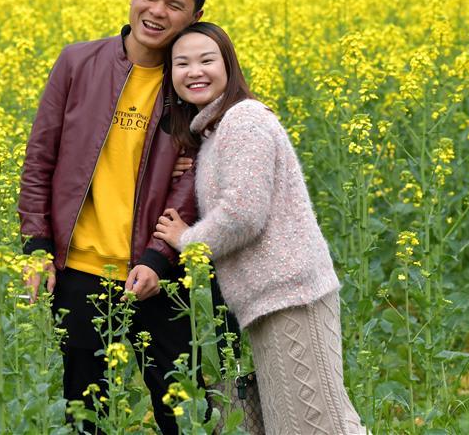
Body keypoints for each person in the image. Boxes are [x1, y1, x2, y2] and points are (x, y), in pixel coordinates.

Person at [19, 0, 208, 433]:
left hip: (157, 274)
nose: (157, 12)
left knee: (186, 415)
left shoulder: (192, 78)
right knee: (86, 417)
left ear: (196, 17)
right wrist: (37, 247)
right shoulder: (77, 63)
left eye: (174, 6)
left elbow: (197, 175)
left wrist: (159, 256)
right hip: (81, 270)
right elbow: (40, 159)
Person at [153, 22, 367, 435]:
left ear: (228, 66)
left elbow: (243, 214)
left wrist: (187, 240)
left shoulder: (244, 120)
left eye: (206, 60)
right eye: (182, 63)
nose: (194, 71)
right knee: (300, 424)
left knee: (320, 426)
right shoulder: (216, 131)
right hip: (272, 298)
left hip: (292, 295)